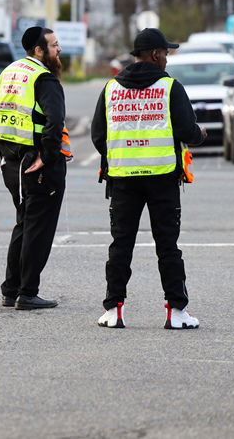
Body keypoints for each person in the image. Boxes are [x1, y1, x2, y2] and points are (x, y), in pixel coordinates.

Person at [91, 28, 206, 330]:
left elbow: (99, 136)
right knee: (167, 246)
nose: (167, 58)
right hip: (162, 179)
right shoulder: (170, 87)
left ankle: (113, 310)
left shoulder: (111, 88)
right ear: (155, 54)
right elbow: (187, 130)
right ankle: (177, 312)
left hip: (123, 180)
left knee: (121, 245)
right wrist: (200, 134)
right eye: (165, 53)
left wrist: (123, 155)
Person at [0, 26, 72, 310]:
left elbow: (2, 112)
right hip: (37, 163)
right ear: (39, 50)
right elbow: (54, 122)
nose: (59, 49)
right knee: (39, 229)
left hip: (11, 160)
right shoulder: (44, 78)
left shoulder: (9, 72)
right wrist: (47, 157)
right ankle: (27, 293)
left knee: (24, 223)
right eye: (54, 45)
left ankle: (11, 290)